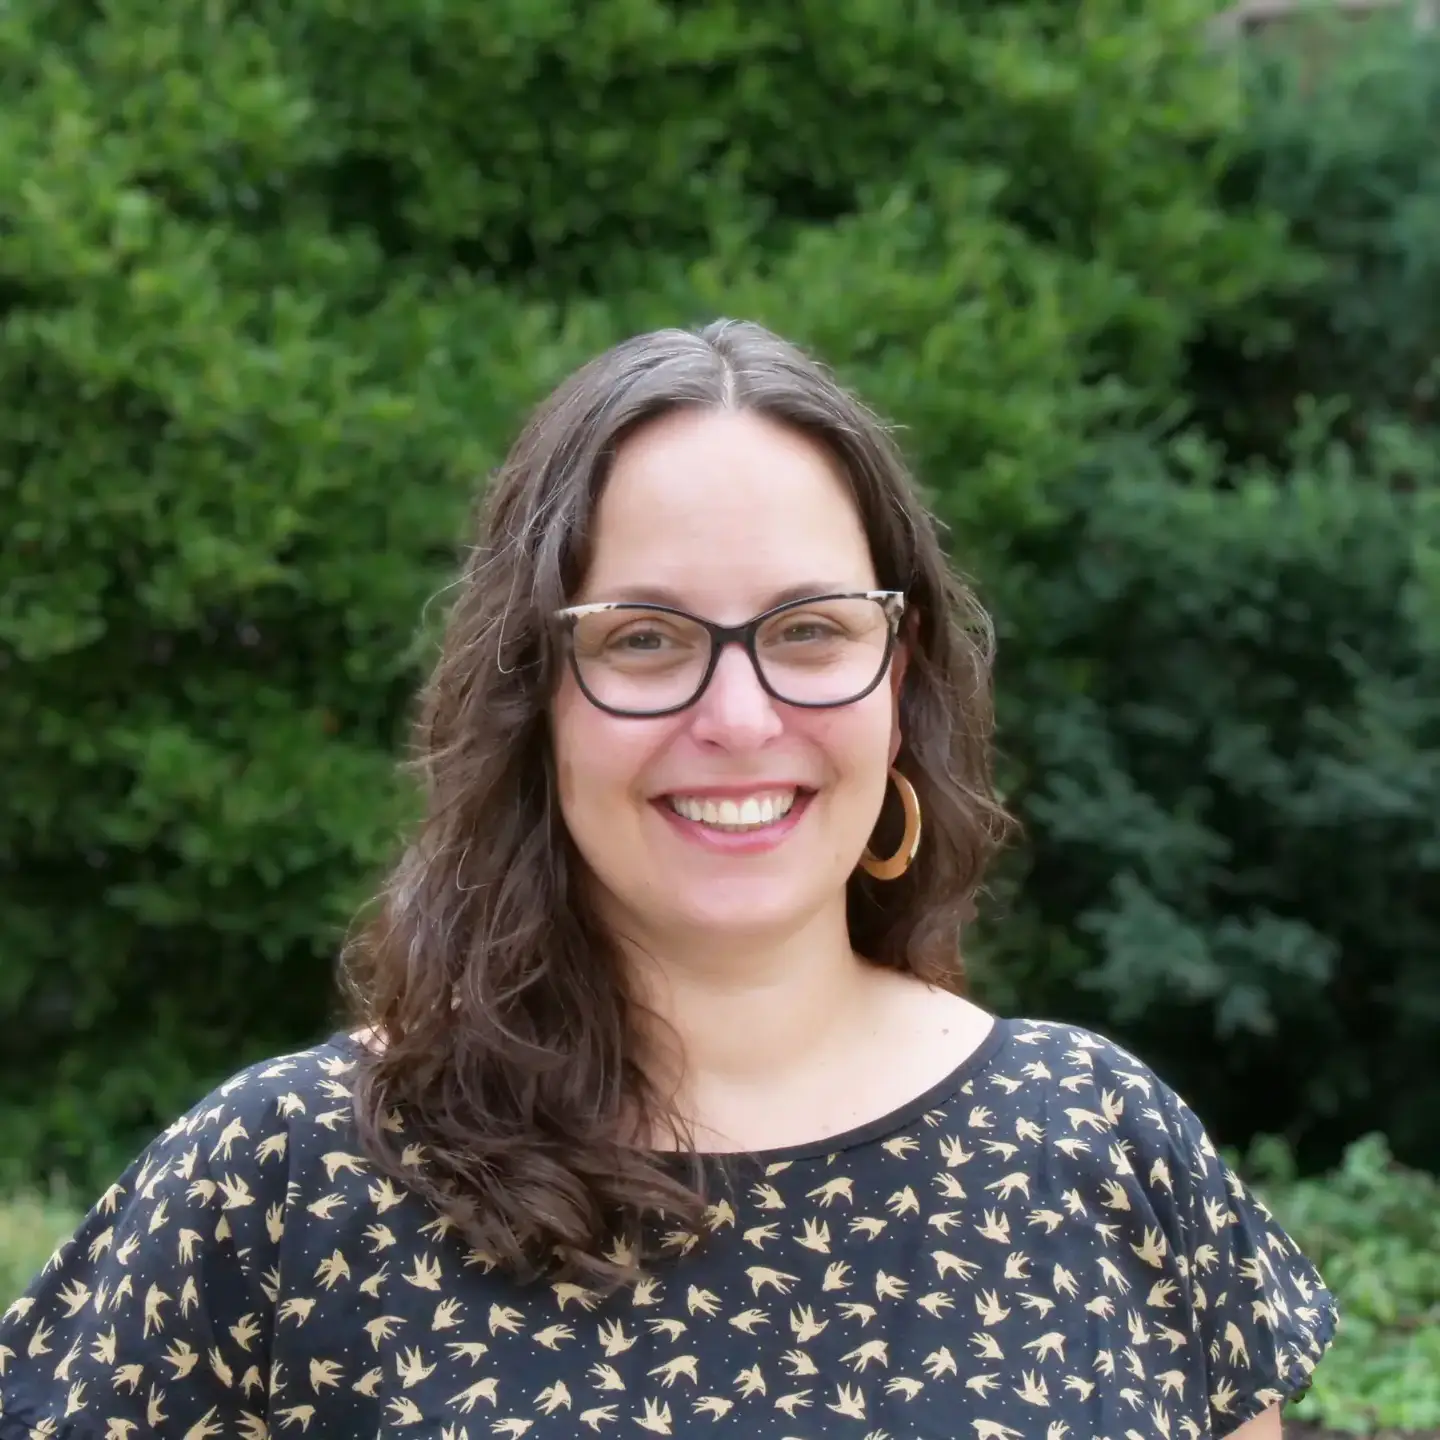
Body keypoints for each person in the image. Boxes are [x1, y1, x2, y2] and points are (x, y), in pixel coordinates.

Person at [0, 320, 1336, 1440]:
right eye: (644, 638)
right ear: (534, 693)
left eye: (809, 630)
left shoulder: (1099, 1143)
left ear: (902, 668)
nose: (740, 719)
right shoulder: (287, 1181)